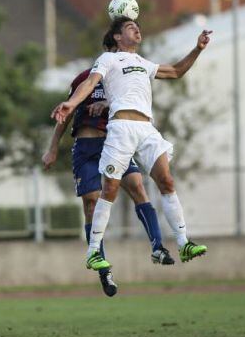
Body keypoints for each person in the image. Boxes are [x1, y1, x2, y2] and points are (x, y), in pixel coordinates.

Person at [51, 17, 211, 272]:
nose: (137, 29)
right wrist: (71, 103)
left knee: (167, 181)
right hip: (121, 128)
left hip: (146, 129)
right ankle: (93, 252)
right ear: (116, 37)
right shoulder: (109, 59)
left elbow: (177, 71)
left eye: (137, 27)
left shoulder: (143, 63)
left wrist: (198, 49)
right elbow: (90, 83)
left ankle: (183, 242)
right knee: (110, 190)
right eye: (130, 27)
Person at [43, 35, 175, 297]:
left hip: (115, 143)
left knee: (138, 187)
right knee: (91, 204)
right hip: (86, 148)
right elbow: (66, 114)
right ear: (107, 52)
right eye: (114, 52)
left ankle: (158, 246)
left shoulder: (128, 78)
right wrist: (53, 147)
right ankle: (104, 269)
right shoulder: (85, 78)